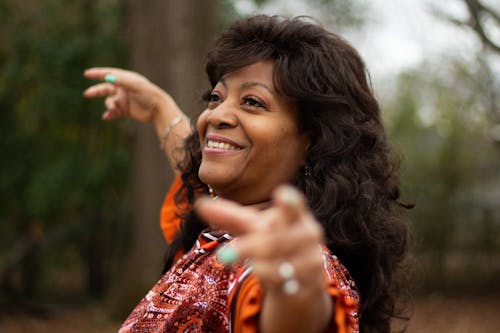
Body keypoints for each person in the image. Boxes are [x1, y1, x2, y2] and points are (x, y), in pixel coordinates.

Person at [84, 15, 410, 333]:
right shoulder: (219, 234)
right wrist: (158, 107)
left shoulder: (279, 265)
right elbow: (192, 171)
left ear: (311, 142)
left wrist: (296, 296)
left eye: (252, 101)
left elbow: (297, 310)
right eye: (216, 97)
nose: (217, 115)